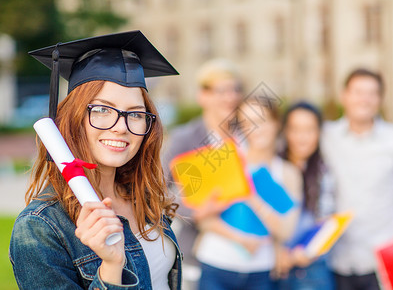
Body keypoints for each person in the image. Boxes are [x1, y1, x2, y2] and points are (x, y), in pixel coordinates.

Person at [9, 31, 182, 289]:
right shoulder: (40, 227)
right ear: (73, 118)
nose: (121, 127)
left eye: (135, 114)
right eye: (102, 109)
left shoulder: (142, 197)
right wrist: (112, 267)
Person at [321, 68, 393, 290]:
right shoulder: (326, 136)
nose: (365, 99)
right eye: (358, 92)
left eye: (372, 93)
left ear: (380, 99)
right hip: (339, 259)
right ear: (344, 96)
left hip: (386, 260)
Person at [194, 97, 301, 290]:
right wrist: (242, 240)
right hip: (217, 264)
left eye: (262, 120)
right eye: (247, 122)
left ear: (276, 122)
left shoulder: (286, 173)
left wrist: (252, 196)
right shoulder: (224, 160)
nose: (255, 128)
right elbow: (204, 220)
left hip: (261, 272)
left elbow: (286, 231)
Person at [162, 59, 243, 288]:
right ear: (203, 96)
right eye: (222, 90)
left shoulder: (248, 136)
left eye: (235, 89)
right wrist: (194, 210)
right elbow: (157, 191)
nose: (231, 97)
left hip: (250, 253)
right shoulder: (184, 138)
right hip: (200, 254)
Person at [275, 101, 336, 290]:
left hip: (313, 269)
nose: (302, 138)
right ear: (285, 132)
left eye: (309, 130)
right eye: (295, 129)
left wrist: (301, 253)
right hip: (273, 268)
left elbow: (326, 221)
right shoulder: (273, 169)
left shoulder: (325, 173)